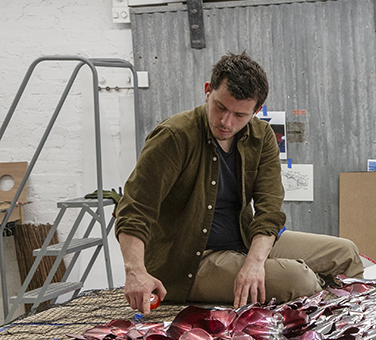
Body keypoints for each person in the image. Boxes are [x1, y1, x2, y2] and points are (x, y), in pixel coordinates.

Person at [115, 52, 363, 312]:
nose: (226, 122)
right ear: (208, 91)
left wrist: (254, 263)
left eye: (240, 115)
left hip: (244, 241)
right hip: (191, 261)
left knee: (345, 252)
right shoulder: (174, 137)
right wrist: (135, 272)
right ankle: (323, 320)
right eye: (221, 107)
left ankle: (362, 328)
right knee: (298, 279)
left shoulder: (261, 136)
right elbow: (134, 209)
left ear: (256, 111)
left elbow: (269, 210)